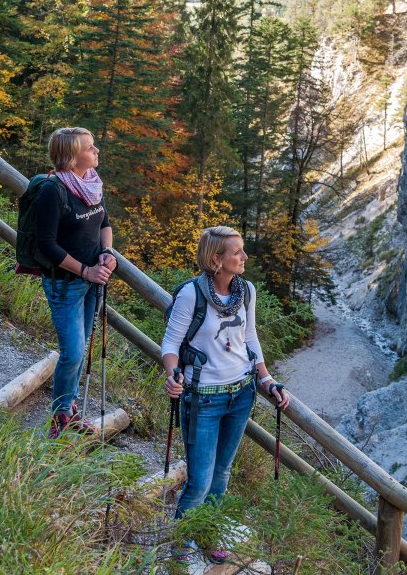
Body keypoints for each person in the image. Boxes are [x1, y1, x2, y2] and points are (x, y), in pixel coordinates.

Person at [161, 226, 290, 563]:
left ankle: (206, 534)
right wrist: (172, 374)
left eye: (242, 250)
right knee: (200, 481)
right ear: (217, 259)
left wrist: (267, 381)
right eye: (237, 252)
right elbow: (171, 343)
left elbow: (250, 338)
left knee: (222, 475)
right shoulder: (192, 294)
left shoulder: (246, 291)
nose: (244, 257)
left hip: (241, 393)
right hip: (203, 397)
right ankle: (178, 550)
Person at [36, 127, 117, 438]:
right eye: (90, 148)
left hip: (92, 280)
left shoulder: (91, 185)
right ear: (72, 157)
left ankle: (67, 408)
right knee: (72, 352)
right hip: (65, 284)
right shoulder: (52, 191)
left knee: (80, 349)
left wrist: (107, 253)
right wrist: (85, 271)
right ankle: (60, 415)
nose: (96, 152)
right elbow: (47, 245)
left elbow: (104, 223)